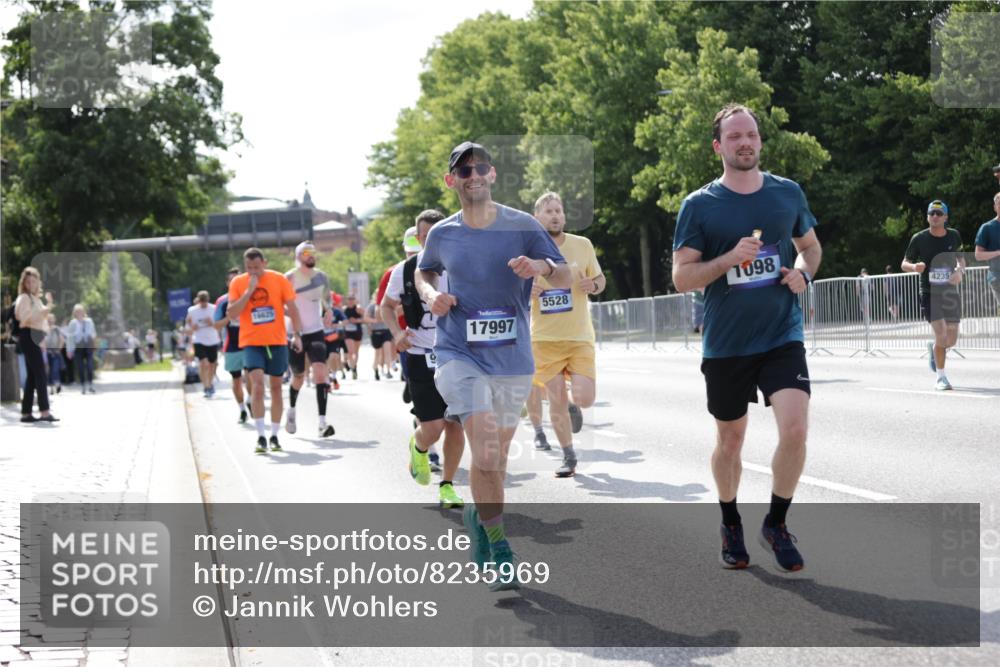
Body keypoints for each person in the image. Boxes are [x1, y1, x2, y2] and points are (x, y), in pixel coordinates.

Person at [672, 104, 822, 572]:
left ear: (760, 140)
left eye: (751, 135)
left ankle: (776, 523)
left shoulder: (786, 193)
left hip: (781, 334)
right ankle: (730, 519)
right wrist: (729, 259)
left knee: (795, 428)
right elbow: (682, 277)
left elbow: (810, 248)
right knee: (730, 441)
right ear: (718, 146)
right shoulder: (700, 205)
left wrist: (803, 275)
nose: (745, 143)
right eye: (734, 136)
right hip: (727, 344)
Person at [415, 141, 571, 590]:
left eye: (480, 167)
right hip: (457, 352)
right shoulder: (443, 233)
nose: (474, 175)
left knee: (494, 459)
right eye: (464, 171)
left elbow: (563, 274)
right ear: (452, 181)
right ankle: (501, 547)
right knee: (484, 448)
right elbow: (424, 272)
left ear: (493, 173)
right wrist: (432, 296)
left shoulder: (522, 225)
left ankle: (478, 517)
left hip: (513, 357)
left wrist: (539, 265)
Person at [381, 208, 464, 508]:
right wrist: (396, 333)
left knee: (455, 423)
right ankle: (418, 446)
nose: (431, 243)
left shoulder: (458, 266)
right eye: (425, 237)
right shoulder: (403, 271)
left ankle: (447, 486)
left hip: (456, 354)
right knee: (433, 427)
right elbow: (386, 308)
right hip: (419, 355)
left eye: (436, 236)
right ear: (418, 238)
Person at [524, 191, 605, 477]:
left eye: (559, 211)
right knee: (555, 397)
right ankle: (569, 456)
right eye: (549, 212)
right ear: (537, 218)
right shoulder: (527, 250)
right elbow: (509, 289)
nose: (555, 215)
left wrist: (593, 286)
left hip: (579, 336)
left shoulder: (582, 245)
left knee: (584, 397)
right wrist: (526, 291)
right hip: (544, 339)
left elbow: (600, 279)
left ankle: (574, 404)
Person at [227, 247, 304, 454]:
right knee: (258, 386)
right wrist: (249, 291)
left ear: (265, 263)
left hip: (277, 341)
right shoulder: (238, 283)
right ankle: (261, 436)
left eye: (257, 267)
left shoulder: (279, 280)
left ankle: (275, 435)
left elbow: (293, 309)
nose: (253, 271)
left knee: (277, 388)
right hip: (252, 342)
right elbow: (232, 313)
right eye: (249, 268)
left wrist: (297, 335)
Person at [901, 200, 965, 391]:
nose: (934, 217)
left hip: (950, 293)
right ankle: (941, 377)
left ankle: (935, 349)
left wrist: (959, 272)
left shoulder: (954, 236)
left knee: (951, 338)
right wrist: (914, 267)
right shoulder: (919, 238)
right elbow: (904, 263)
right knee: (941, 333)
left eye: (938, 213)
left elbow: (961, 260)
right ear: (928, 216)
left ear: (945, 217)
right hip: (929, 292)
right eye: (931, 213)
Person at [284, 242, 336, 438]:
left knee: (321, 372)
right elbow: (278, 304)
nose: (311, 256)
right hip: (294, 333)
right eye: (306, 253)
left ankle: (322, 423)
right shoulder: (288, 277)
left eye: (313, 252)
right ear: (298, 256)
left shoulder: (322, 276)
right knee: (298, 376)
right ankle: (291, 410)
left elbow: (326, 298)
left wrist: (328, 310)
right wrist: (293, 316)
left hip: (316, 331)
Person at [14, 267, 59, 423]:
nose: (31, 284)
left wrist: (48, 305)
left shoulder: (35, 299)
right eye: (28, 281)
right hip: (28, 335)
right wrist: (47, 308)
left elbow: (41, 321)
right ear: (24, 283)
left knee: (33, 376)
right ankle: (45, 412)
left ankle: (26, 413)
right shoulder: (25, 298)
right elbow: (24, 318)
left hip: (34, 336)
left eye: (34, 281)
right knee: (40, 373)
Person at [214, 267, 252, 424]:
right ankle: (242, 409)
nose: (235, 282)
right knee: (236, 380)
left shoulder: (250, 296)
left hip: (250, 342)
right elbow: (217, 325)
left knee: (252, 376)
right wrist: (230, 317)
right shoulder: (222, 301)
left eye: (238, 278)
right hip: (232, 345)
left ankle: (251, 400)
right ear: (227, 283)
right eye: (232, 280)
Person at [187, 290, 221, 398]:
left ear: (208, 300)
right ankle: (205, 386)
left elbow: (219, 324)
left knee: (212, 364)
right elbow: (187, 324)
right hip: (199, 340)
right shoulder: (192, 310)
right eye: (201, 302)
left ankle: (210, 384)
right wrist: (192, 327)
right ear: (198, 301)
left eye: (205, 302)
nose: (203, 304)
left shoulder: (214, 308)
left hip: (212, 340)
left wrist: (212, 323)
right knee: (204, 363)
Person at [974, 192, 1000, 308]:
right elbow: (978, 255)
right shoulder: (987, 228)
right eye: (999, 203)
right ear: (995, 207)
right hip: (997, 275)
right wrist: (998, 252)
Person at [66, 304, 97, 394]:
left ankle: (90, 384)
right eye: (77, 311)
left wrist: (94, 344)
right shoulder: (72, 323)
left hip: (88, 346)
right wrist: (69, 350)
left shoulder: (89, 321)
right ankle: (83, 385)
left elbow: (93, 333)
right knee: (80, 367)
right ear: (74, 313)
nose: (79, 313)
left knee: (90, 366)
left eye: (81, 311)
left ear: (84, 312)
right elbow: (70, 337)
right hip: (78, 347)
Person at [366, 291, 393, 380]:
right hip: (376, 331)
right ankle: (376, 369)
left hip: (386, 331)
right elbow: (366, 318)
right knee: (378, 353)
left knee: (387, 350)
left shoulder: (387, 305)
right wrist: (376, 321)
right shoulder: (372, 306)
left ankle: (388, 371)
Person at [342, 295, 363, 379]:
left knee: (356, 352)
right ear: (346, 300)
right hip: (348, 333)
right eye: (349, 299)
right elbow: (341, 320)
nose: (351, 300)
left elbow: (365, 319)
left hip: (357, 332)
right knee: (350, 352)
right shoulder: (344, 309)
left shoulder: (358, 308)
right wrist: (346, 322)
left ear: (355, 300)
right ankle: (353, 369)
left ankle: (354, 366)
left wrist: (357, 320)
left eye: (352, 299)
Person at [45, 314, 64, 395]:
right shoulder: (43, 329)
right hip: (46, 352)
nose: (49, 321)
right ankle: (51, 387)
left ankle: (57, 384)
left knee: (55, 369)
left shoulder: (57, 329)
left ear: (54, 320)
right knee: (48, 370)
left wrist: (58, 350)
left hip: (55, 353)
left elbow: (62, 340)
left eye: (51, 319)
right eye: (48, 319)